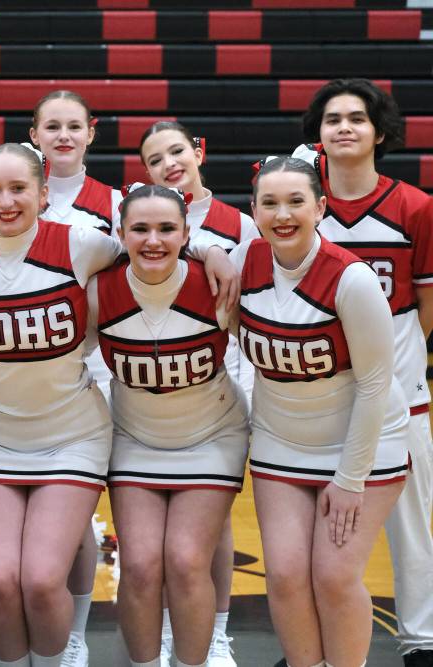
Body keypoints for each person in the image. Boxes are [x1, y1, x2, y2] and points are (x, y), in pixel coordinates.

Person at [0, 143, 236, 667]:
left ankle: (62, 656)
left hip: (71, 437)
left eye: (19, 189)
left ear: (42, 193)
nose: (7, 201)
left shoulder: (81, 244)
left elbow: (150, 240)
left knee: (38, 578)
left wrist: (211, 251)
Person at [237, 156, 408, 667]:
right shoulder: (245, 262)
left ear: (321, 207)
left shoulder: (350, 278)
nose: (282, 213)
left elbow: (377, 384)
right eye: (269, 203)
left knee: (333, 577)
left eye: (296, 201)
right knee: (287, 576)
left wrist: (350, 478)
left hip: (362, 444)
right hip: (280, 443)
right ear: (254, 210)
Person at [301, 78, 433, 667]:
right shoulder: (302, 207)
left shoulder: (416, 207)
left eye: (357, 118)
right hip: (321, 402)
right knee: (312, 539)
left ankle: (422, 639)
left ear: (380, 132)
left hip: (400, 396)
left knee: (413, 525)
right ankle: (312, 648)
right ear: (319, 136)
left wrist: (395, 360)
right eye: (333, 120)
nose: (345, 127)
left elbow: (426, 305)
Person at [91, 185, 249, 667]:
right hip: (135, 438)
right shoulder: (98, 290)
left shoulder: (219, 284)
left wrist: (212, 249)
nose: (153, 240)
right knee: (138, 567)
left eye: (166, 229)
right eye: (140, 229)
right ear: (121, 234)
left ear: (187, 233)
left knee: (184, 562)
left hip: (212, 435)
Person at [139, 120, 259, 666]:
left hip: (228, 376)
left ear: (199, 152)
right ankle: (171, 632)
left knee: (213, 526)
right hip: (155, 383)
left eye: (176, 152)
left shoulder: (245, 225)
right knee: (158, 542)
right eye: (155, 158)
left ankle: (215, 634)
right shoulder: (141, 216)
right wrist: (206, 248)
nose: (168, 164)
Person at [27, 89, 122, 667]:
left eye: (73, 126)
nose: (63, 136)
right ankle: (35, 632)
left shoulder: (115, 201)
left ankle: (76, 633)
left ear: (91, 132)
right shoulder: (12, 192)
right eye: (51, 126)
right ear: (33, 134)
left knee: (81, 516)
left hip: (93, 367)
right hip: (18, 370)